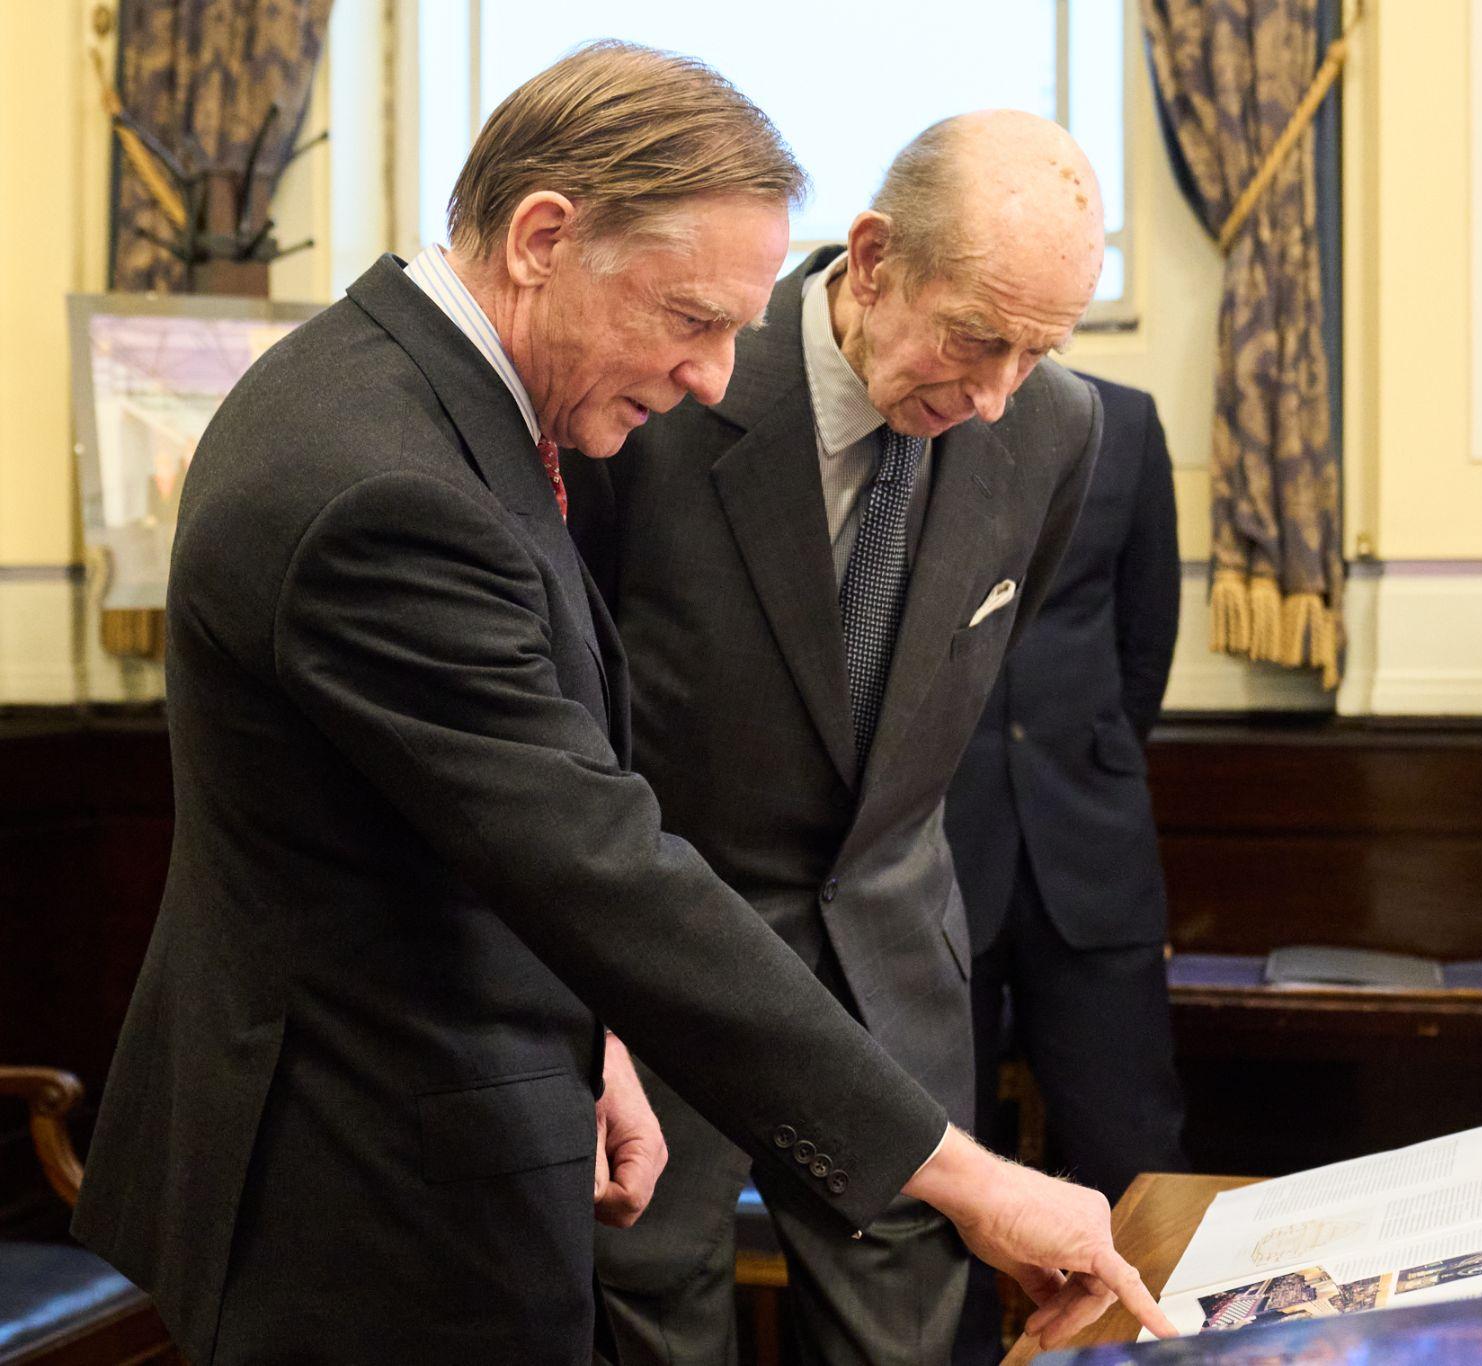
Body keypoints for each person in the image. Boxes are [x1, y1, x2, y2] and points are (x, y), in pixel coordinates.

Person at [70, 46, 1167, 1365]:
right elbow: (589, 847)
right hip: (367, 1176)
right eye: (693, 320)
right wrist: (980, 1178)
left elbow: (494, 802)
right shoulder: (390, 486)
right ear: (544, 238)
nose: (712, 375)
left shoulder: (415, 397)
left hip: (475, 1101)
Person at [563, 110, 1110, 1364]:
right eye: (976, 337)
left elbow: (949, 696)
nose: (991, 395)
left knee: (905, 1338)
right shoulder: (671, 388)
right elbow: (568, 706)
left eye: (1037, 349)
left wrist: (1011, 368)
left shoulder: (1051, 429)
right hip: (669, 967)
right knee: (649, 1305)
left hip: (890, 972)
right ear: (869, 260)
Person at [945, 374, 1188, 1362]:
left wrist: (1079, 761)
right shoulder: (915, 410)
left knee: (1136, 1155)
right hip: (931, 863)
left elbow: (1145, 640)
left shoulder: (1123, 421)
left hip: (1089, 848)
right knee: (940, 1172)